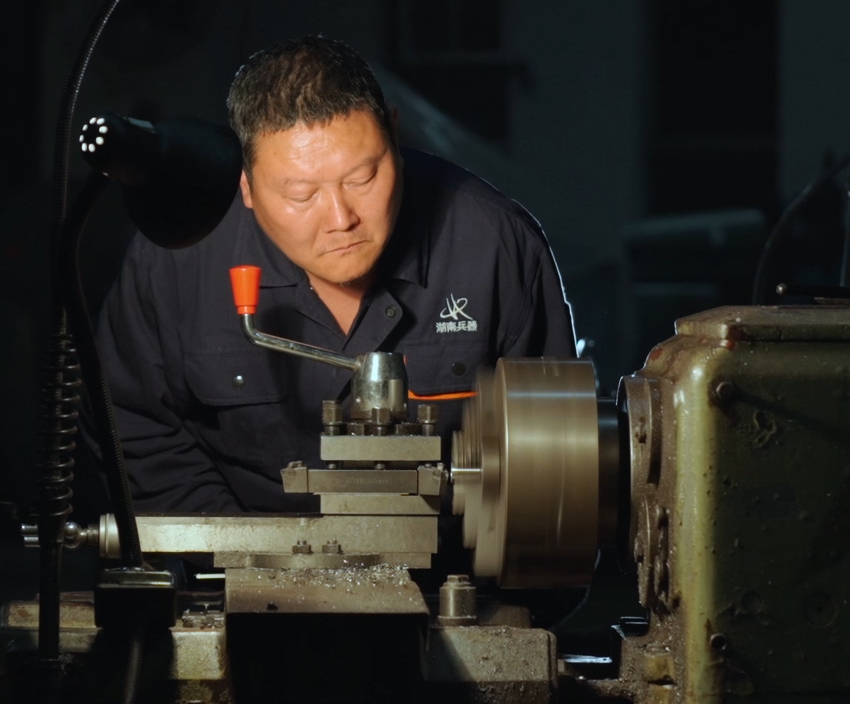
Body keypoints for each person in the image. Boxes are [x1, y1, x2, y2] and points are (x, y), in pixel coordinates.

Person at [94, 35, 575, 513]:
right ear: (247, 184)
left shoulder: (496, 245)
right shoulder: (178, 258)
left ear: (394, 136)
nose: (341, 218)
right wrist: (237, 547)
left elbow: (554, 474)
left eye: (362, 178)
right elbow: (133, 429)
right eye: (301, 195)